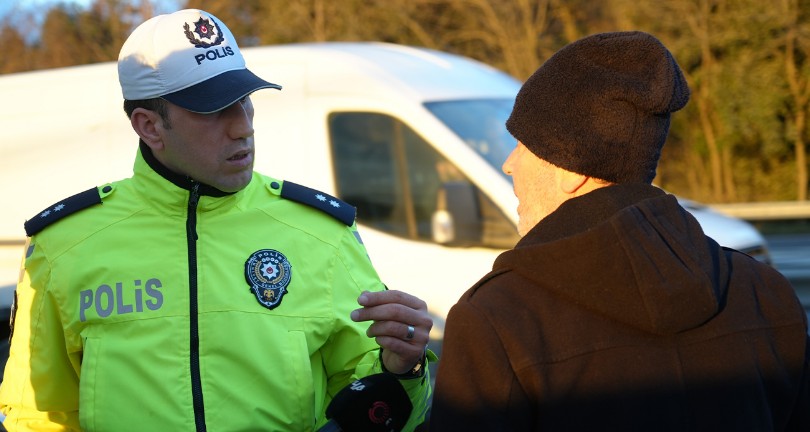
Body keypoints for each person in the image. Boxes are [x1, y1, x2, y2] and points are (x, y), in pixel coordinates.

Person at [0, 9, 433, 431]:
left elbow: (379, 407)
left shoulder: (321, 233)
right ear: (149, 126)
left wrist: (403, 369)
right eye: (214, 109)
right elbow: (35, 416)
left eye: (244, 99)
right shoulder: (63, 246)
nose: (243, 126)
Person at [429, 31, 810, 431]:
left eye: (523, 146)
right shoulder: (766, 293)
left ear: (570, 171)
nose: (509, 164)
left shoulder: (498, 320)